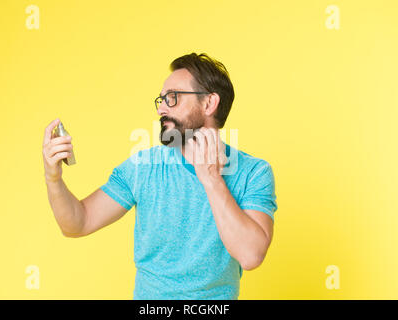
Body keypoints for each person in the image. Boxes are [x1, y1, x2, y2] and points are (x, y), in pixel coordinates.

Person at [42, 52, 278, 300]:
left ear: (209, 103)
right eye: (161, 100)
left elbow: (251, 256)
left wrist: (212, 179)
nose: (161, 109)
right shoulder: (143, 166)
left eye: (173, 98)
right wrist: (53, 178)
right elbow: (77, 224)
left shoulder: (254, 172)